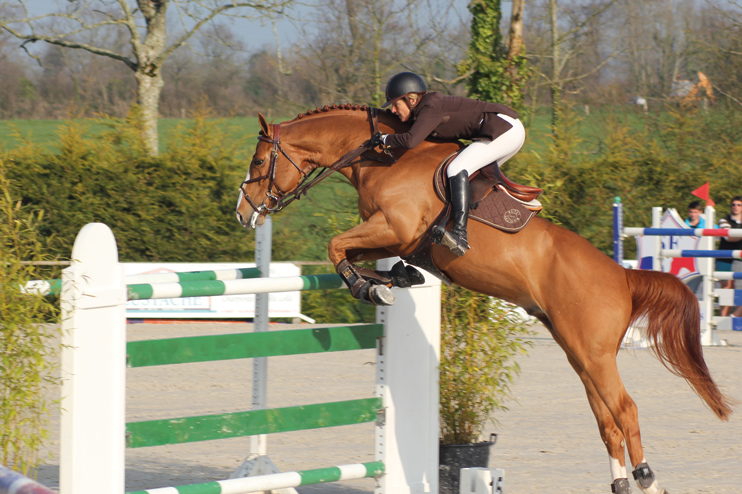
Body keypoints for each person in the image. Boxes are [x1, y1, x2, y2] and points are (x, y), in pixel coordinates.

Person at [370, 72, 526, 257]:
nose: (394, 110)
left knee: (457, 168)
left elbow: (411, 140)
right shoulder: (425, 108)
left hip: (505, 131)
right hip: (504, 130)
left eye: (396, 104)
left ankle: (460, 235)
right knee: (469, 178)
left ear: (411, 100)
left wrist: (385, 138)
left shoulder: (430, 108)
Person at [718, 196, 742, 317]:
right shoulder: (723, 220)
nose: (735, 207)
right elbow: (728, 237)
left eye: (739, 205)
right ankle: (723, 320)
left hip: (740, 259)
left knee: (739, 290)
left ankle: (736, 318)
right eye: (733, 204)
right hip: (725, 258)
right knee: (726, 289)